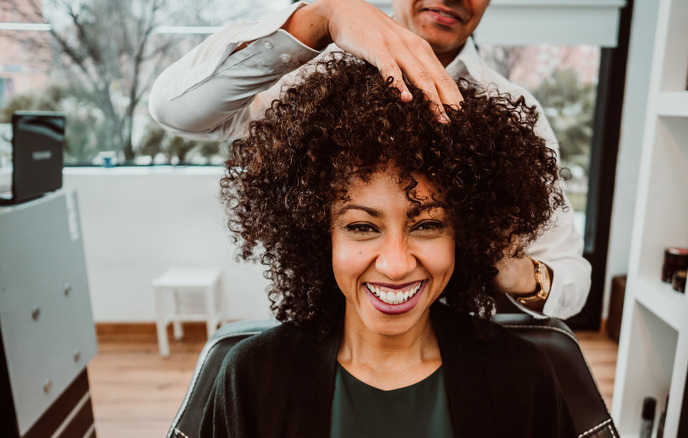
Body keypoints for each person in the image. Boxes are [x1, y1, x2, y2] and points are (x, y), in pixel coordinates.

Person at [203, 54, 574, 437]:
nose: (395, 265)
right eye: (362, 227)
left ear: (465, 233)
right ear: (318, 231)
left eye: (428, 225)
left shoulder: (523, 377)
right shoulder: (251, 378)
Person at [149, 0, 591, 319]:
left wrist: (502, 266)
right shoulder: (306, 82)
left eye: (427, 224)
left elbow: (571, 280)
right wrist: (321, 18)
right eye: (362, 225)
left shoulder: (512, 108)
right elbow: (175, 110)